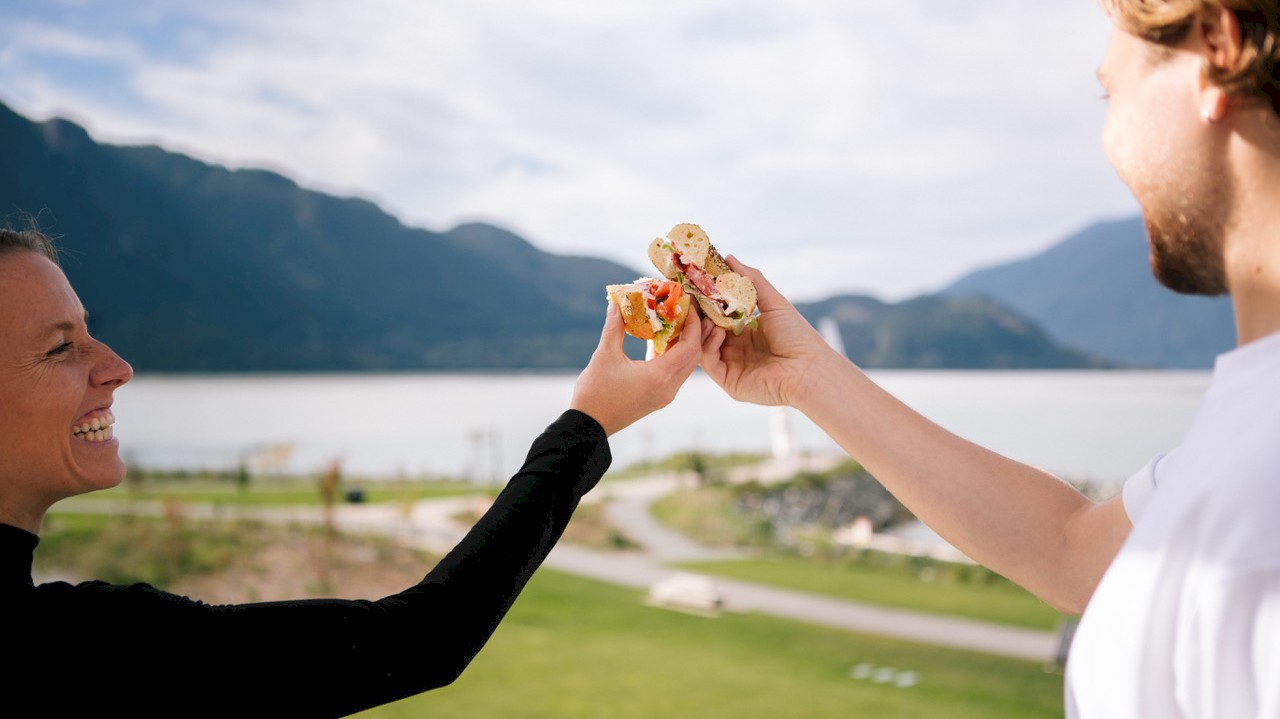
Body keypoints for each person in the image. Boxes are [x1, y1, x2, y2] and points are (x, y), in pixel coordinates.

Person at [698, 2, 1279, 717]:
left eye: (1111, 94)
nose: (1109, 141)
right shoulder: (1246, 432)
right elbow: (1069, 550)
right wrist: (807, 376)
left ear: (1215, 45)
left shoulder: (1261, 496)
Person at [0, 225, 702, 718]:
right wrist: (588, 422)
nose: (117, 366)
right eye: (61, 348)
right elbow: (421, 641)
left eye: (90, 330)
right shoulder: (72, 652)